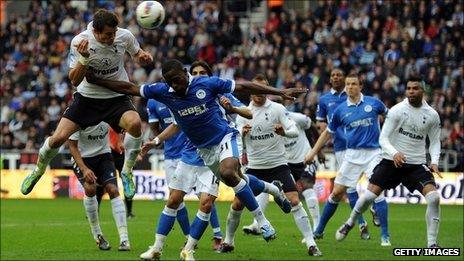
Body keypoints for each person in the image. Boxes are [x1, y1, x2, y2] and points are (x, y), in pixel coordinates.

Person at [87, 59, 304, 260]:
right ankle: (273, 190)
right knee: (234, 181)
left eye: (179, 80)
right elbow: (129, 88)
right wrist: (97, 80)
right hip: (201, 150)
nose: (177, 85)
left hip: (224, 137)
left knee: (228, 175)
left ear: (186, 73)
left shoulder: (209, 85)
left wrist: (279, 92)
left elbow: (245, 88)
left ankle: (262, 222)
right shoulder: (164, 92)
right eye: (171, 82)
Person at [20, 9, 153, 200]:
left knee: (135, 124)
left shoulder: (124, 36)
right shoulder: (80, 42)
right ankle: (38, 170)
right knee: (58, 139)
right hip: (87, 99)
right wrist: (84, 58)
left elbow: (137, 53)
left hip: (115, 96)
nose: (112, 37)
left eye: (114, 32)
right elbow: (74, 80)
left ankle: (127, 171)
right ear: (96, 32)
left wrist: (142, 56)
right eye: (108, 34)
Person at [219, 74, 321, 256]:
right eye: (255, 89)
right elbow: (234, 139)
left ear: (267, 90)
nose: (259, 93)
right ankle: (228, 241)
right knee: (237, 205)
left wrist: (284, 132)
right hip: (254, 167)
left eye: (263, 89)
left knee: (295, 200)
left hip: (278, 165)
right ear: (250, 92)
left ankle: (311, 244)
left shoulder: (278, 109)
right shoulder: (243, 113)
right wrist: (241, 133)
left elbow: (294, 130)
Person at [335, 77, 442, 248]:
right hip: (391, 161)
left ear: (423, 91)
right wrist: (395, 153)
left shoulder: (432, 115)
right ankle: (350, 222)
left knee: (434, 198)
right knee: (370, 196)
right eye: (408, 88)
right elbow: (383, 138)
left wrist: (434, 161)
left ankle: (432, 245)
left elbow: (435, 141)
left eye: (415, 88)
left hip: (415, 164)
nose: (411, 91)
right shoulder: (397, 110)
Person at [305, 73, 391, 246]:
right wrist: (313, 152)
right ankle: (319, 230)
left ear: (360, 86)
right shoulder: (340, 110)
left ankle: (385, 235)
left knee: (377, 192)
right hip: (351, 155)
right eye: (348, 84)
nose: (350, 87)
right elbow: (327, 133)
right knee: (336, 192)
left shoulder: (374, 103)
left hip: (374, 154)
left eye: (353, 84)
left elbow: (391, 118)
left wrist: (390, 141)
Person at [314, 69, 372, 239]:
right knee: (351, 186)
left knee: (358, 185)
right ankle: (361, 223)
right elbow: (322, 126)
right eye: (333, 75)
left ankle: (360, 221)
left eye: (339, 75)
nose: (336, 77)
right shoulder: (325, 100)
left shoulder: (356, 97)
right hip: (341, 148)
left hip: (362, 147)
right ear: (330, 79)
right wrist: (321, 149)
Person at [68, 122, 130, 251]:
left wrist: (119, 141)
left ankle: (124, 239)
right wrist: (84, 169)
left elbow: (120, 124)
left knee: (113, 190)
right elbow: (72, 146)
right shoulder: (77, 116)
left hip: (104, 156)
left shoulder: (106, 110)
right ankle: (98, 235)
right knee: (90, 189)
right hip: (82, 158)